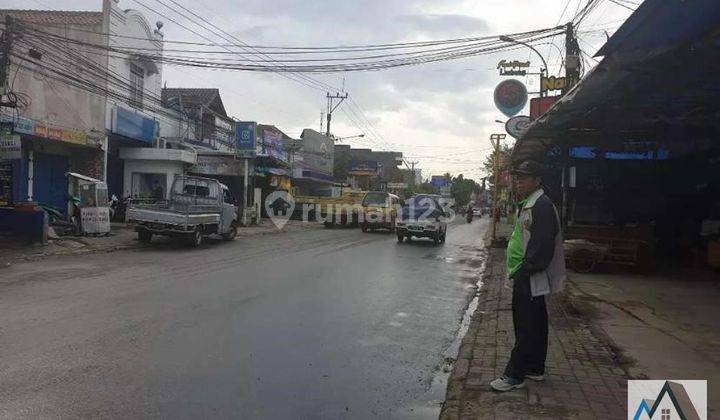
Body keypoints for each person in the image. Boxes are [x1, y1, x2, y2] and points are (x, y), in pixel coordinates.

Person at [490, 160, 566, 392]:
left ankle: (515, 375)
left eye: (523, 178)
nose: (518, 181)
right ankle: (535, 368)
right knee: (536, 322)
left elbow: (542, 244)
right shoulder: (531, 203)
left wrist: (526, 269)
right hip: (528, 274)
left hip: (531, 275)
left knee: (526, 325)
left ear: (536, 180)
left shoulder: (540, 205)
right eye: (517, 177)